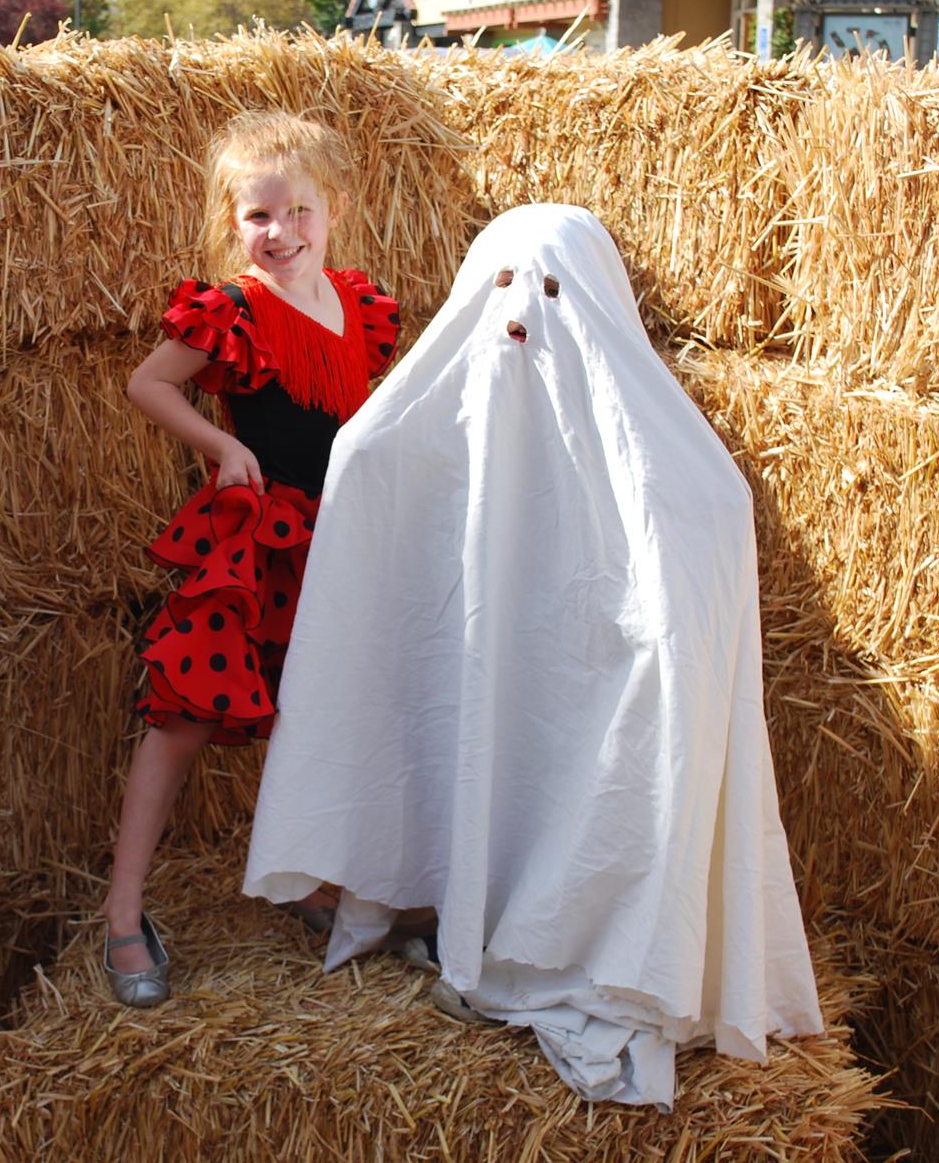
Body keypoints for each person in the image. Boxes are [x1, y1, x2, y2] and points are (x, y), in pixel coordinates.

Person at [243, 205, 823, 1107]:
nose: (520, 315)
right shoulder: (432, 427)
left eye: (550, 291)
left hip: (592, 727)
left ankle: (565, 927)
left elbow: (700, 533)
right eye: (504, 287)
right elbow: (377, 474)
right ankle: (452, 901)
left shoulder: (658, 456)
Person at [100, 110, 401, 1007]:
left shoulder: (357, 305)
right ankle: (122, 914)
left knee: (318, 712)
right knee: (184, 718)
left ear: (333, 207)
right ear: (233, 221)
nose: (282, 232)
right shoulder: (232, 310)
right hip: (257, 541)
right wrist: (222, 446)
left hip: (333, 543)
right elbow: (148, 382)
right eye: (260, 215)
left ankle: (306, 877)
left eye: (299, 211)